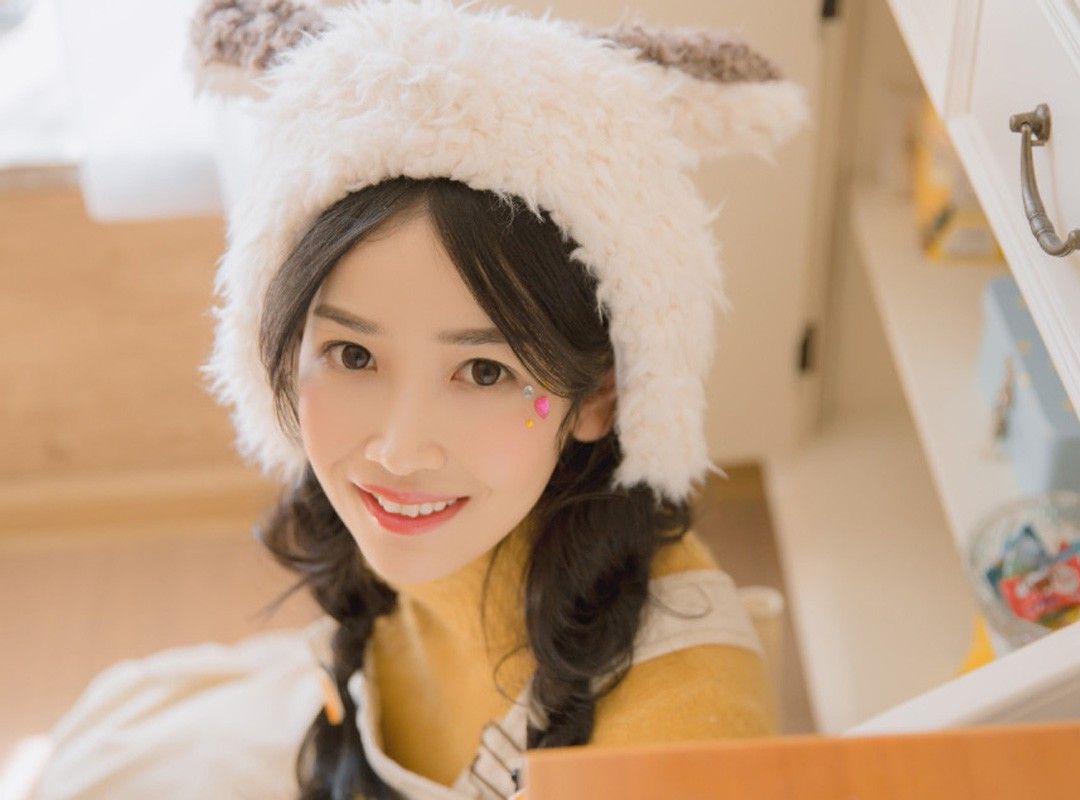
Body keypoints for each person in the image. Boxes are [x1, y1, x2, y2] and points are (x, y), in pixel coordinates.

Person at [31, 0, 809, 797]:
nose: (398, 450)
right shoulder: (428, 540)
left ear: (600, 396)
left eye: (484, 372)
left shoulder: (677, 733)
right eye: (354, 355)